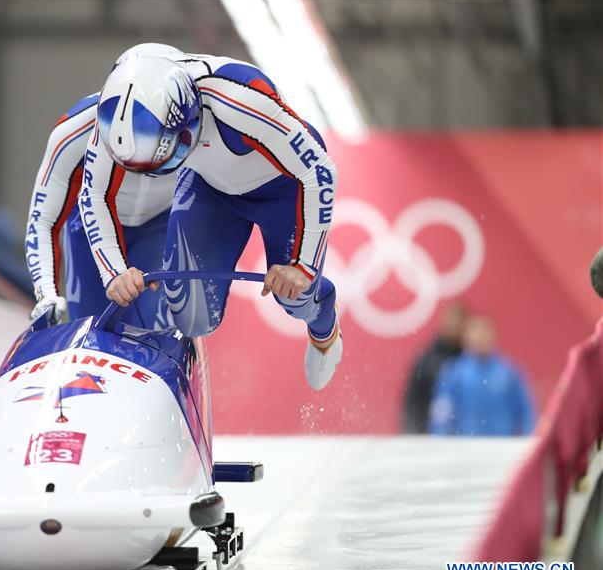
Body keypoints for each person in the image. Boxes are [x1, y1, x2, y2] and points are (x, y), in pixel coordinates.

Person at [78, 47, 341, 390]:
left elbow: (318, 170)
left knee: (295, 296)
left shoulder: (240, 100)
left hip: (286, 188)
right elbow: (94, 192)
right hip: (210, 188)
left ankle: (324, 326)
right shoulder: (117, 115)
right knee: (192, 316)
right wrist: (112, 270)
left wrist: (304, 267)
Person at [24, 44, 181, 326]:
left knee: (155, 333)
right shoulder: (72, 132)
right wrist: (46, 292)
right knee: (91, 329)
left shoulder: (206, 126)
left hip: (161, 224)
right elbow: (44, 219)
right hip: (89, 227)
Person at [429, 314, 535, 436]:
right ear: (466, 337)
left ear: (493, 336)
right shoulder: (454, 373)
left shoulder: (509, 371)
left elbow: (526, 412)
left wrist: (528, 439)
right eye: (476, 332)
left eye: (485, 331)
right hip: (466, 447)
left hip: (503, 447)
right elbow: (442, 414)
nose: (480, 337)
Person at [402, 303, 468, 433]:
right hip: (430, 436)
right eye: (450, 326)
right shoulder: (428, 360)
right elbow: (413, 400)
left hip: (465, 436)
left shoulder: (473, 362)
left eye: (457, 326)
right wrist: (413, 432)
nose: (453, 331)